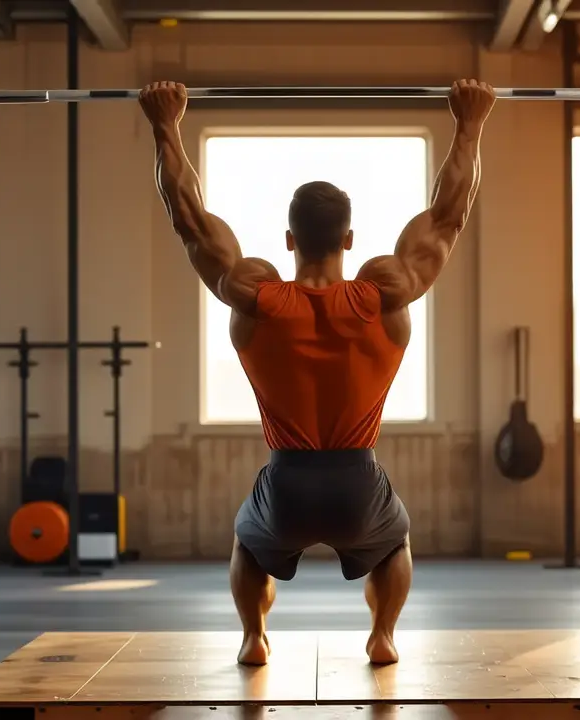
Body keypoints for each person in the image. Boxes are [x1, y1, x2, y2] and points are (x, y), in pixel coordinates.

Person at [138, 79, 495, 666]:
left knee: (248, 544)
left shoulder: (255, 296)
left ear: (288, 239)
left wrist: (166, 124)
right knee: (393, 542)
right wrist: (470, 124)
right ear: (349, 239)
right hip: (357, 480)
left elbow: (189, 219)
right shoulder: (386, 294)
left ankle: (254, 637)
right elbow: (448, 217)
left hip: (287, 486)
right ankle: (382, 635)